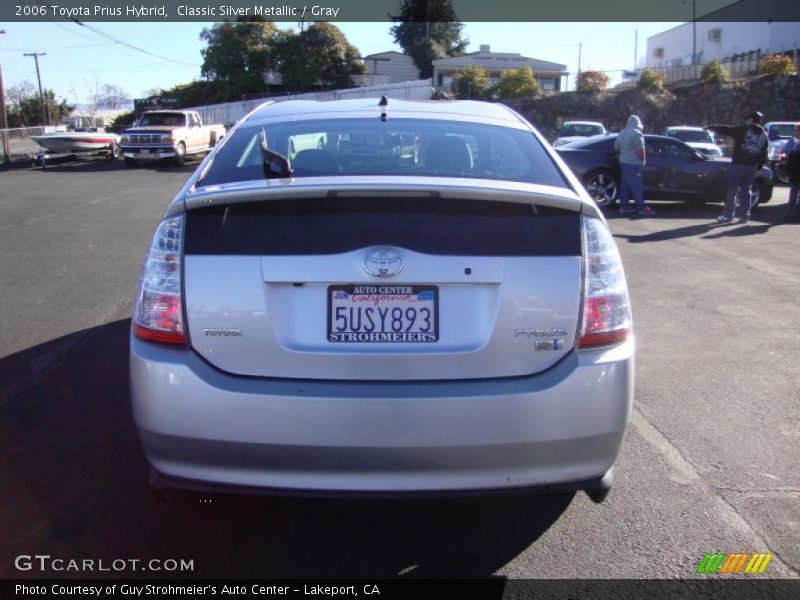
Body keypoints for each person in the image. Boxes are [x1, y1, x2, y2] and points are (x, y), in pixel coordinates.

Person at [707, 112, 768, 224]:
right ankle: (744, 216)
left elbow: (727, 130)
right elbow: (764, 154)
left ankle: (728, 215)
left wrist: (712, 127)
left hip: (738, 164)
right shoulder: (764, 135)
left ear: (750, 119)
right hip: (751, 167)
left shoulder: (743, 129)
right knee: (746, 191)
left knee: (732, 190)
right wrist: (758, 168)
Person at [615, 115, 655, 215]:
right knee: (636, 186)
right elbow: (640, 150)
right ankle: (641, 207)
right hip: (633, 164)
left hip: (623, 162)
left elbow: (616, 147)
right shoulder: (637, 134)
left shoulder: (622, 133)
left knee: (625, 185)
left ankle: (624, 206)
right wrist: (643, 161)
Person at [779, 123, 800, 223]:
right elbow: (785, 152)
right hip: (793, 173)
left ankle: (794, 216)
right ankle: (790, 215)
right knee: (793, 194)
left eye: (798, 131)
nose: (796, 133)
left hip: (796, 172)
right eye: (796, 131)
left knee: (795, 195)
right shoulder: (792, 141)